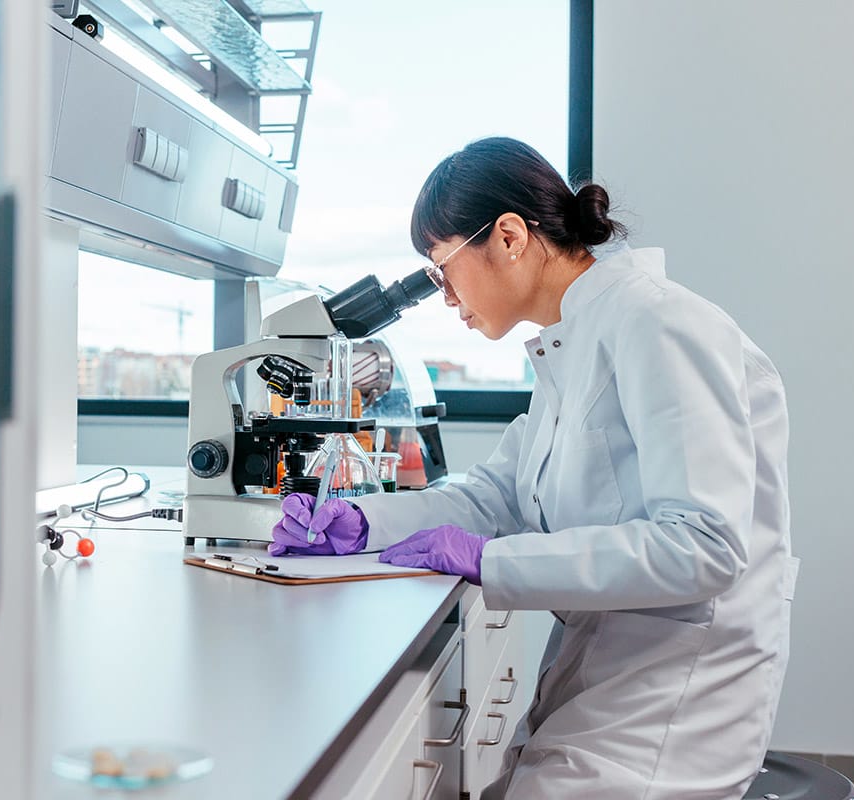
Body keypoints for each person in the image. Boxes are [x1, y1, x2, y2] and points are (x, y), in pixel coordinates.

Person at [270, 137, 796, 799]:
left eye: (441, 269)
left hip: (676, 695)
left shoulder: (658, 324)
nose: (445, 297)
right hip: (608, 661)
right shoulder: (571, 341)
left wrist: (492, 561)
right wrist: (363, 521)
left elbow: (705, 547)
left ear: (510, 236)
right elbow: (500, 493)